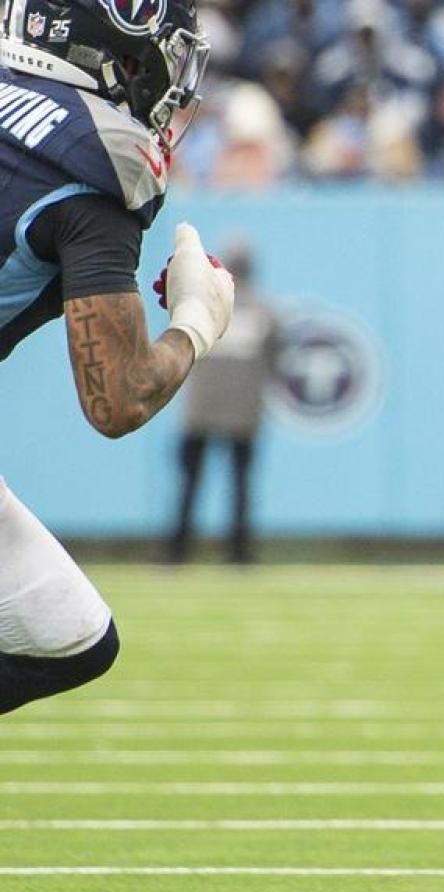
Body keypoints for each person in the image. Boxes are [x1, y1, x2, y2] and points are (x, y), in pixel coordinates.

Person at [0, 0, 235, 715]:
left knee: (68, 630)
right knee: (68, 636)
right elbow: (118, 399)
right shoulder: (91, 161)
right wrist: (196, 322)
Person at [166, 238, 276, 566]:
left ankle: (178, 551)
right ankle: (239, 552)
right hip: (244, 412)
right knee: (240, 485)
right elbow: (276, 358)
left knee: (190, 484)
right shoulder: (265, 311)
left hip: (200, 410)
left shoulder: (205, 307)